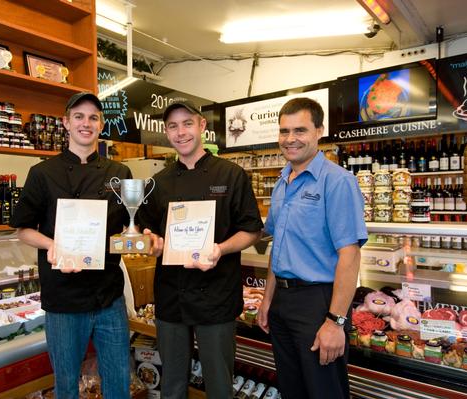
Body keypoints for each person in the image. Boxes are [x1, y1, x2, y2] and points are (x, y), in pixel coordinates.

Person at [10, 92, 132, 399]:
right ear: (66, 122)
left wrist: (137, 236)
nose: (86, 123)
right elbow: (23, 229)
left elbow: (130, 224)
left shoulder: (120, 173)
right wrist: (53, 244)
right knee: (66, 386)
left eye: (93, 117)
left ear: (101, 124)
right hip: (63, 299)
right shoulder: (42, 173)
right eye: (78, 116)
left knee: (118, 381)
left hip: (108, 297)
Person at [139, 100, 263, 399]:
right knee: (172, 384)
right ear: (166, 133)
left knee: (219, 384)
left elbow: (251, 231)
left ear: (202, 126)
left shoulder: (231, 175)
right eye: (172, 126)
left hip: (216, 296)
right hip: (171, 297)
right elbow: (147, 232)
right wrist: (151, 244)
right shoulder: (159, 183)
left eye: (187, 123)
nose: (180, 132)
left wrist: (220, 249)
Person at [256, 97, 368, 399]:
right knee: (292, 391)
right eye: (284, 131)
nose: (290, 139)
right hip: (282, 301)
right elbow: (278, 245)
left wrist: (335, 322)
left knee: (324, 392)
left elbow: (350, 254)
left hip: (318, 303)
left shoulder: (338, 181)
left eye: (300, 130)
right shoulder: (282, 182)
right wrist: (268, 300)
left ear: (319, 131)